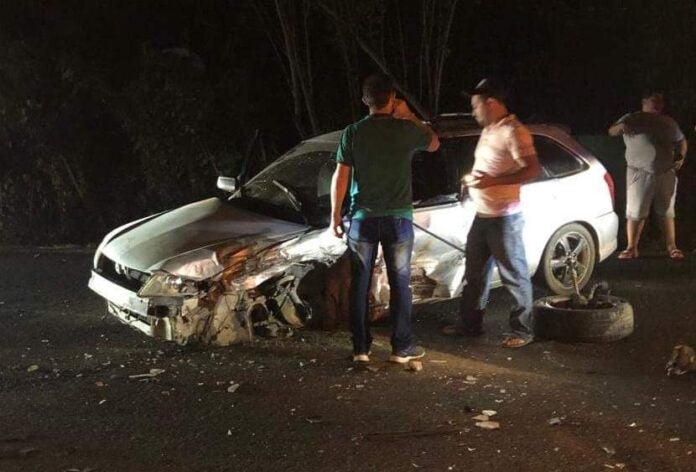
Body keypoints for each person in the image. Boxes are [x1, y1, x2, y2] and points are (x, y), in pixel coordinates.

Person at [330, 73, 439, 364]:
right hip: (398, 220)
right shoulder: (405, 130)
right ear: (391, 98)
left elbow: (340, 176)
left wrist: (334, 216)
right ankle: (401, 349)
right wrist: (409, 115)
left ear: (365, 100)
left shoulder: (353, 133)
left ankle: (361, 349)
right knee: (400, 283)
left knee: (360, 284)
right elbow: (433, 143)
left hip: (362, 219)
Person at [442, 78, 541, 348]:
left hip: (505, 218)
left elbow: (532, 169)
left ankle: (522, 330)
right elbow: (490, 166)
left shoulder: (514, 131)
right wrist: (473, 185)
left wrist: (490, 183)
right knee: (475, 276)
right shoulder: (490, 129)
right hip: (483, 215)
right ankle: (470, 324)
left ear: (491, 102)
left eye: (475, 106)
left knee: (514, 275)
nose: (473, 112)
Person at [608, 91, 687, 260]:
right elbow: (612, 131)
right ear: (644, 102)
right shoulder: (632, 118)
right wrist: (622, 127)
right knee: (636, 212)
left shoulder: (667, 122)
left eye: (660, 101)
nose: (658, 104)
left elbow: (681, 140)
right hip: (639, 172)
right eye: (654, 101)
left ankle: (672, 247)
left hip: (665, 171)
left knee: (666, 211)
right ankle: (631, 248)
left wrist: (681, 156)